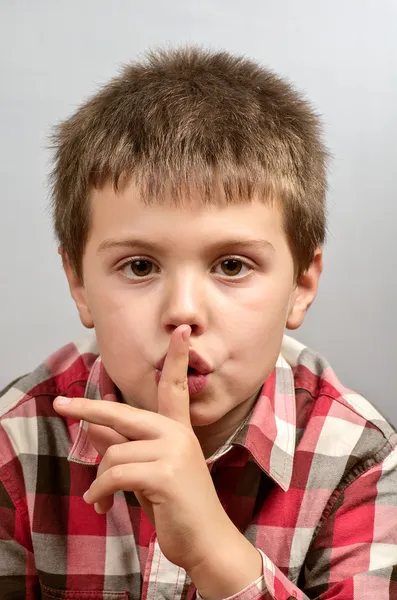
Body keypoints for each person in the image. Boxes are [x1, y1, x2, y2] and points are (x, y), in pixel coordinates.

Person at [0, 47, 396, 600]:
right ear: (78, 284)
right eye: (140, 266)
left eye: (232, 265)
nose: (183, 310)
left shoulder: (362, 462)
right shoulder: (14, 447)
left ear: (301, 285)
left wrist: (216, 553)